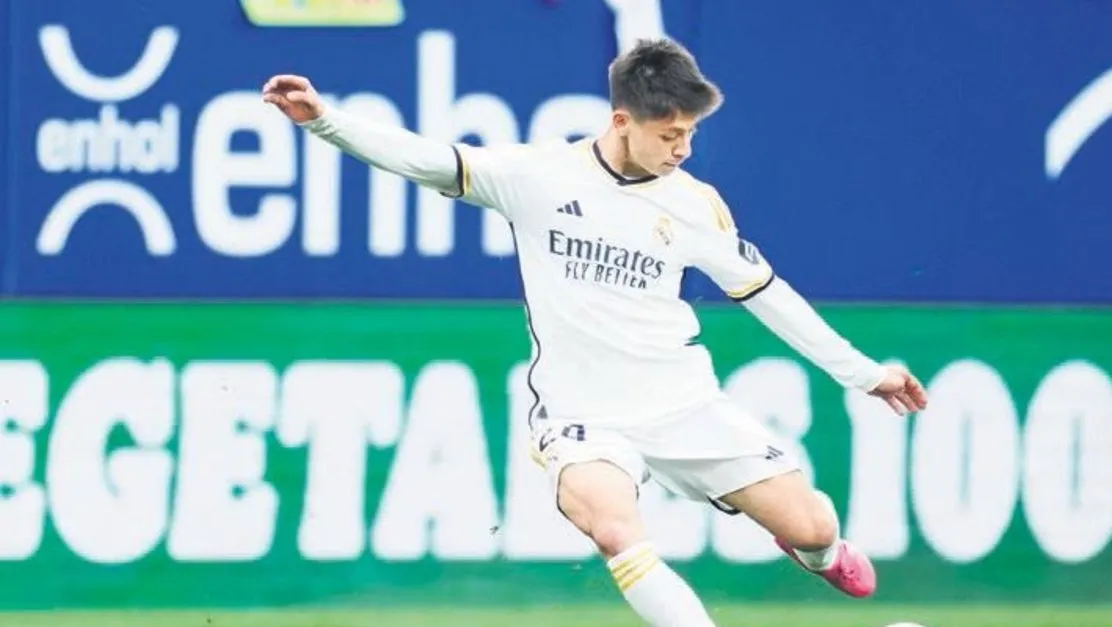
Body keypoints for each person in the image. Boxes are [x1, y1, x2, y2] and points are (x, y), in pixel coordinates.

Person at [263, 38, 928, 627]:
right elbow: (428, 159)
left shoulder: (693, 204)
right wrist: (324, 120)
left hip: (684, 405)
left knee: (812, 525)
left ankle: (820, 553)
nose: (683, 148)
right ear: (621, 122)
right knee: (615, 530)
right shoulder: (537, 178)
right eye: (670, 134)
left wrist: (865, 374)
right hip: (582, 418)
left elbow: (767, 295)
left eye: (690, 133)